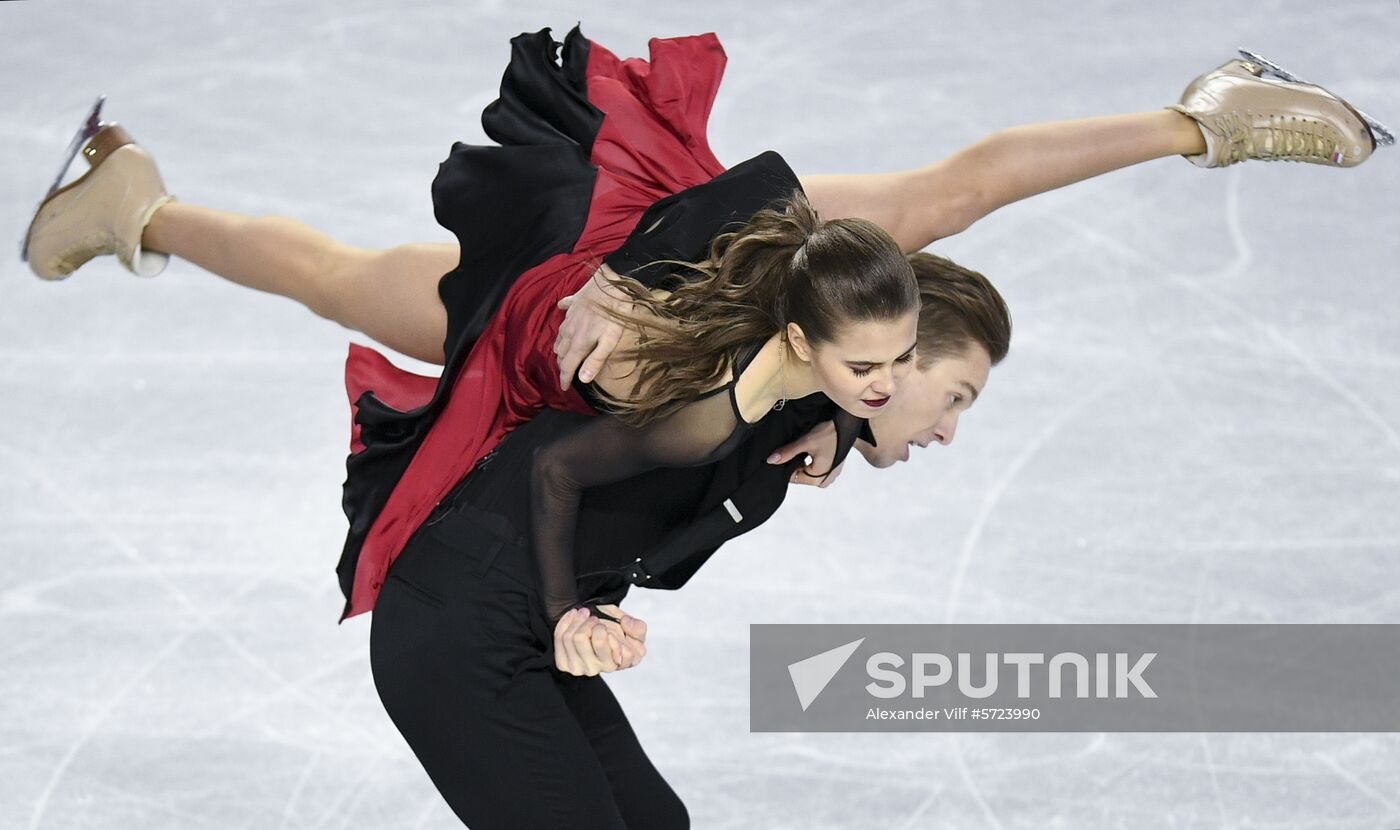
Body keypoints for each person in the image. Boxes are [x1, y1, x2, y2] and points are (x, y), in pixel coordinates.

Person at [18, 24, 1389, 829]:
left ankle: (135, 205)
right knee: (365, 286)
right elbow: (958, 188)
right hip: (582, 310)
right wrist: (1189, 132)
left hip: (562, 357)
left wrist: (837, 432)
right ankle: (1205, 111)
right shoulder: (783, 279)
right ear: (881, 337)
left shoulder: (815, 393)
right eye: (942, 386)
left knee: (336, 280)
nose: (949, 424)